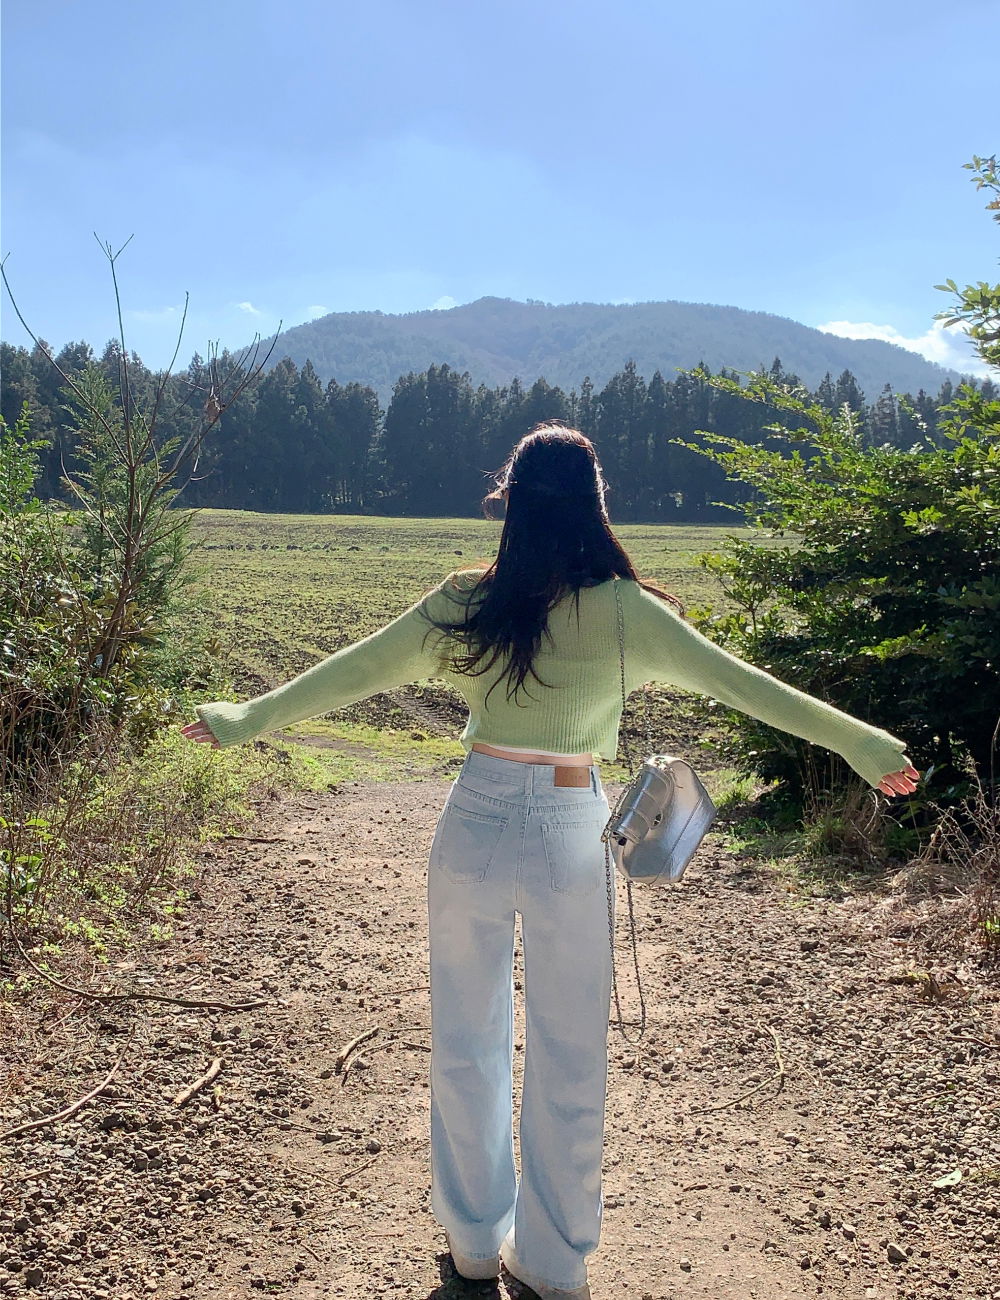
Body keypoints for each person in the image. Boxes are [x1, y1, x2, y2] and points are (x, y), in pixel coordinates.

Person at [182, 425, 918, 1300]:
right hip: (573, 822)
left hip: (475, 817)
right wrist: (861, 743)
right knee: (571, 1050)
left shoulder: (467, 599)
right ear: (594, 503)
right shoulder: (628, 610)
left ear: (513, 501)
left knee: (466, 1039)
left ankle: (472, 1243)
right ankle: (555, 1261)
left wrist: (246, 717)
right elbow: (746, 686)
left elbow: (355, 671)